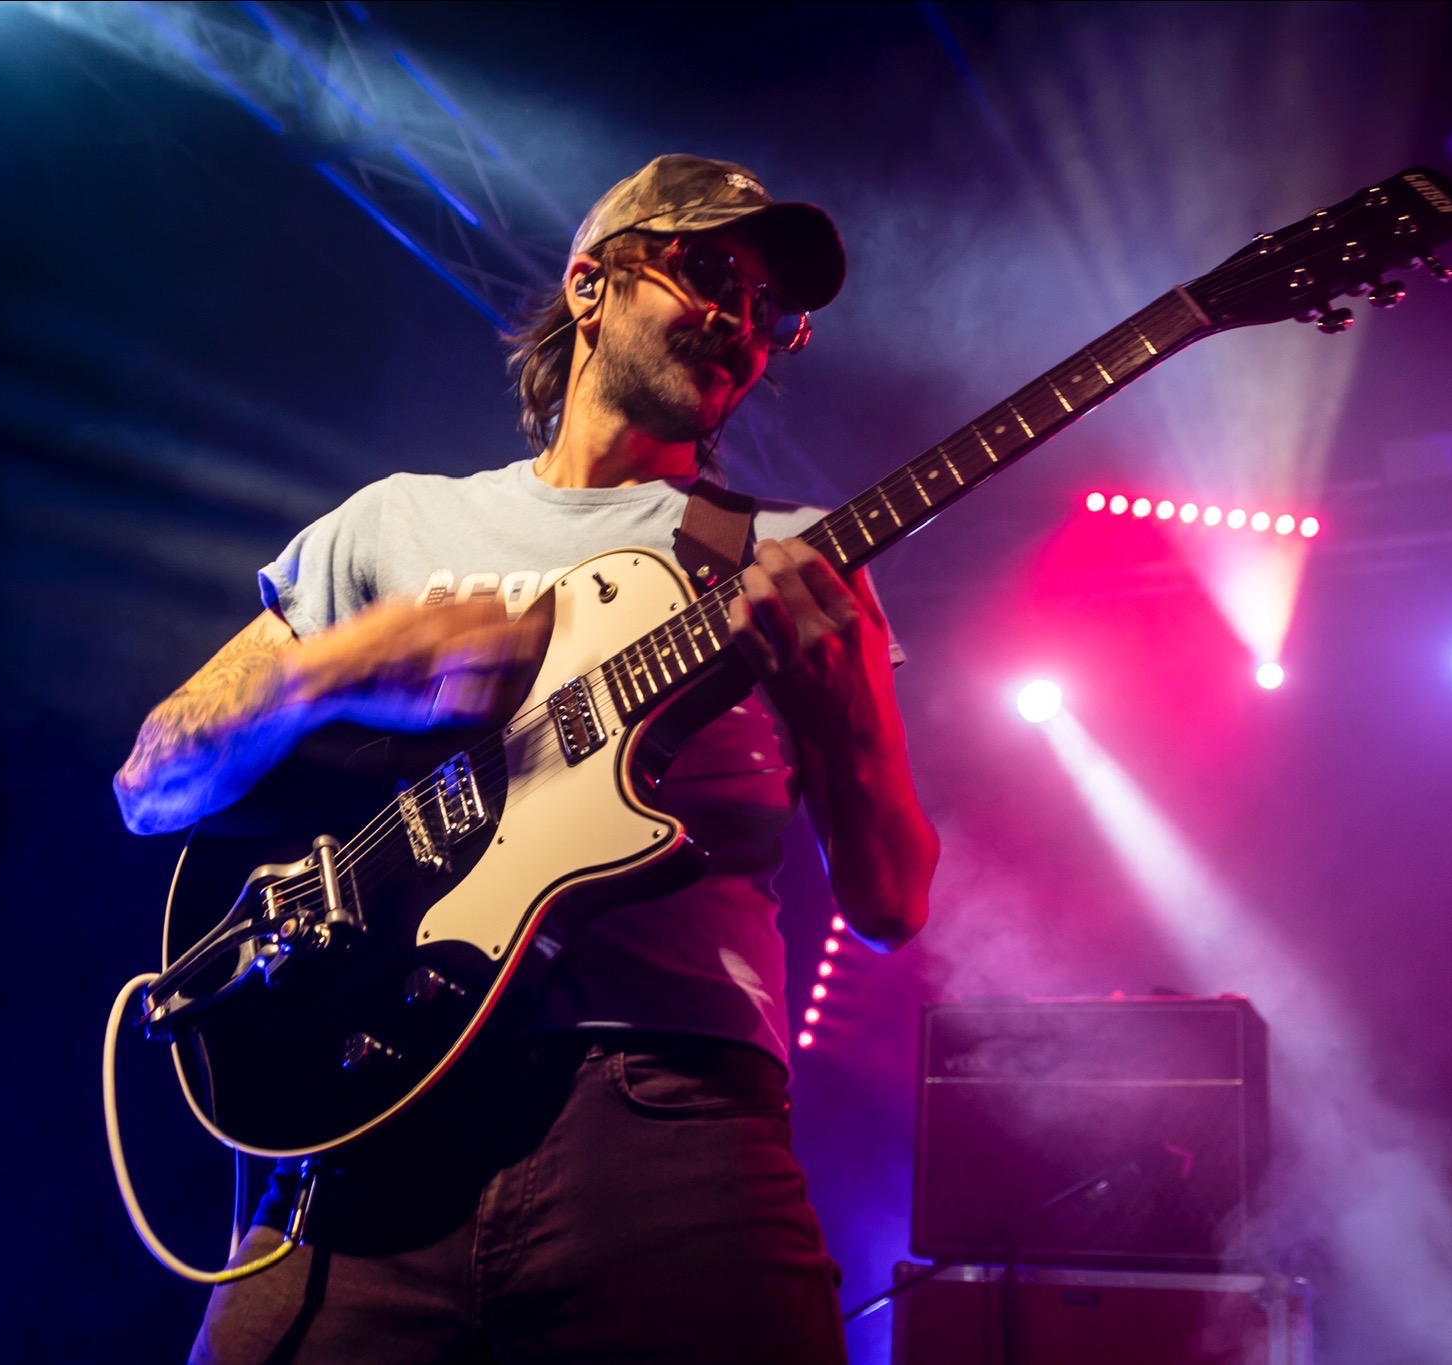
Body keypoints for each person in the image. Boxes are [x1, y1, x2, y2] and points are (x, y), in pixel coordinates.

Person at [114, 154, 940, 1364]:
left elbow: (890, 905)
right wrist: (334, 666)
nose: (739, 322)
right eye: (709, 273)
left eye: (769, 309)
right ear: (592, 283)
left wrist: (853, 715)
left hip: (666, 1124)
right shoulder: (393, 522)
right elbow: (148, 786)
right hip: (364, 1139)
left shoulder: (786, 557)